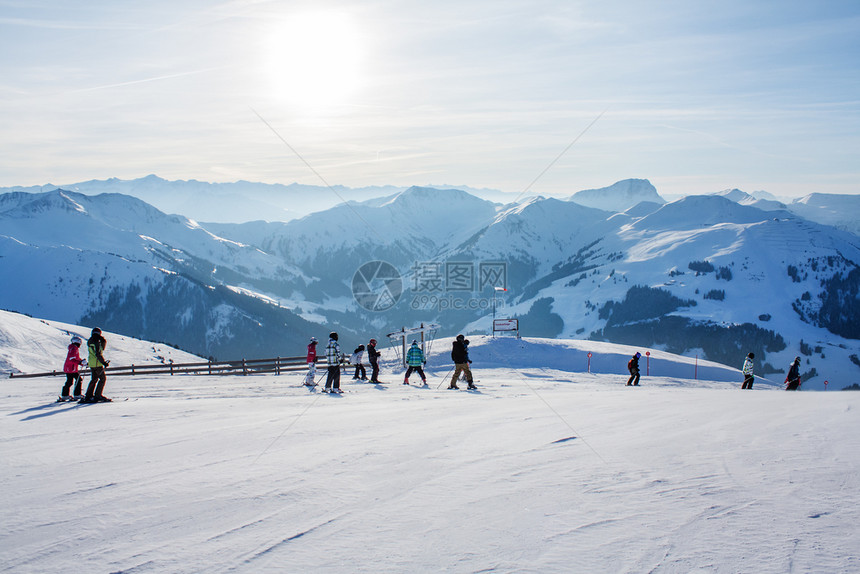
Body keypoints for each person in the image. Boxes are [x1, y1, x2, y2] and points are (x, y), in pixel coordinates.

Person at [82, 327, 110, 402]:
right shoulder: (97, 342)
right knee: (102, 379)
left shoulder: (90, 341)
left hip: (92, 363)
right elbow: (98, 353)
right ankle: (98, 395)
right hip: (97, 363)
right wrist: (104, 362)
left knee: (94, 379)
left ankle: (89, 395)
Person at [59, 335, 86, 401]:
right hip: (71, 368)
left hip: (71, 368)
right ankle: (75, 394)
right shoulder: (74, 349)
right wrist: (80, 362)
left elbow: (75, 358)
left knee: (71, 381)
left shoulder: (73, 348)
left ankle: (66, 395)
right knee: (76, 380)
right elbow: (72, 359)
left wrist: (81, 361)